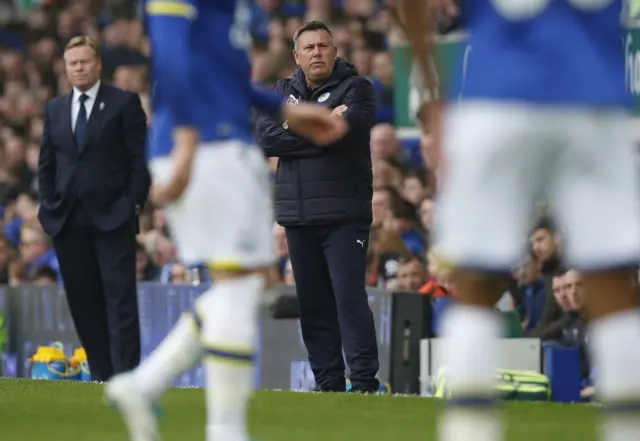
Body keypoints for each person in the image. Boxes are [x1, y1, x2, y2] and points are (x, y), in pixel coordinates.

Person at [396, 1, 640, 441]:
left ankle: (468, 430)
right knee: (613, 285)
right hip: (592, 94)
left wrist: (433, 92)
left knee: (472, 285)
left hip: (496, 94)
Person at [105, 2, 347, 441]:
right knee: (240, 286)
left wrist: (286, 110)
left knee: (253, 284)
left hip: (226, 141)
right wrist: (186, 142)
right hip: (204, 145)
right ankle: (225, 430)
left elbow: (223, 76)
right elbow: (172, 62)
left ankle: (143, 384)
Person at [256, 20, 381, 393]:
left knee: (348, 300)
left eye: (323, 46)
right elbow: (265, 138)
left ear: (335, 51)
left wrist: (295, 130)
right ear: (296, 56)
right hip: (298, 216)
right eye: (309, 48)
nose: (317, 53)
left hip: (344, 216)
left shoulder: (357, 88)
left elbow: (347, 132)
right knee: (313, 306)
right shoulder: (281, 92)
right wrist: (322, 127)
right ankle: (328, 384)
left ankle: (362, 383)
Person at [37, 35, 150, 382]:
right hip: (68, 220)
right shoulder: (55, 109)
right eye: (73, 63)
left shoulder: (123, 102)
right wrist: (48, 205)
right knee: (83, 302)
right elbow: (46, 165)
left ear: (98, 64)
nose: (79, 68)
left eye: (85, 61)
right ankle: (101, 375)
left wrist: (130, 206)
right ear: (66, 68)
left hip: (113, 218)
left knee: (120, 302)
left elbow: (139, 164)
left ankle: (126, 376)